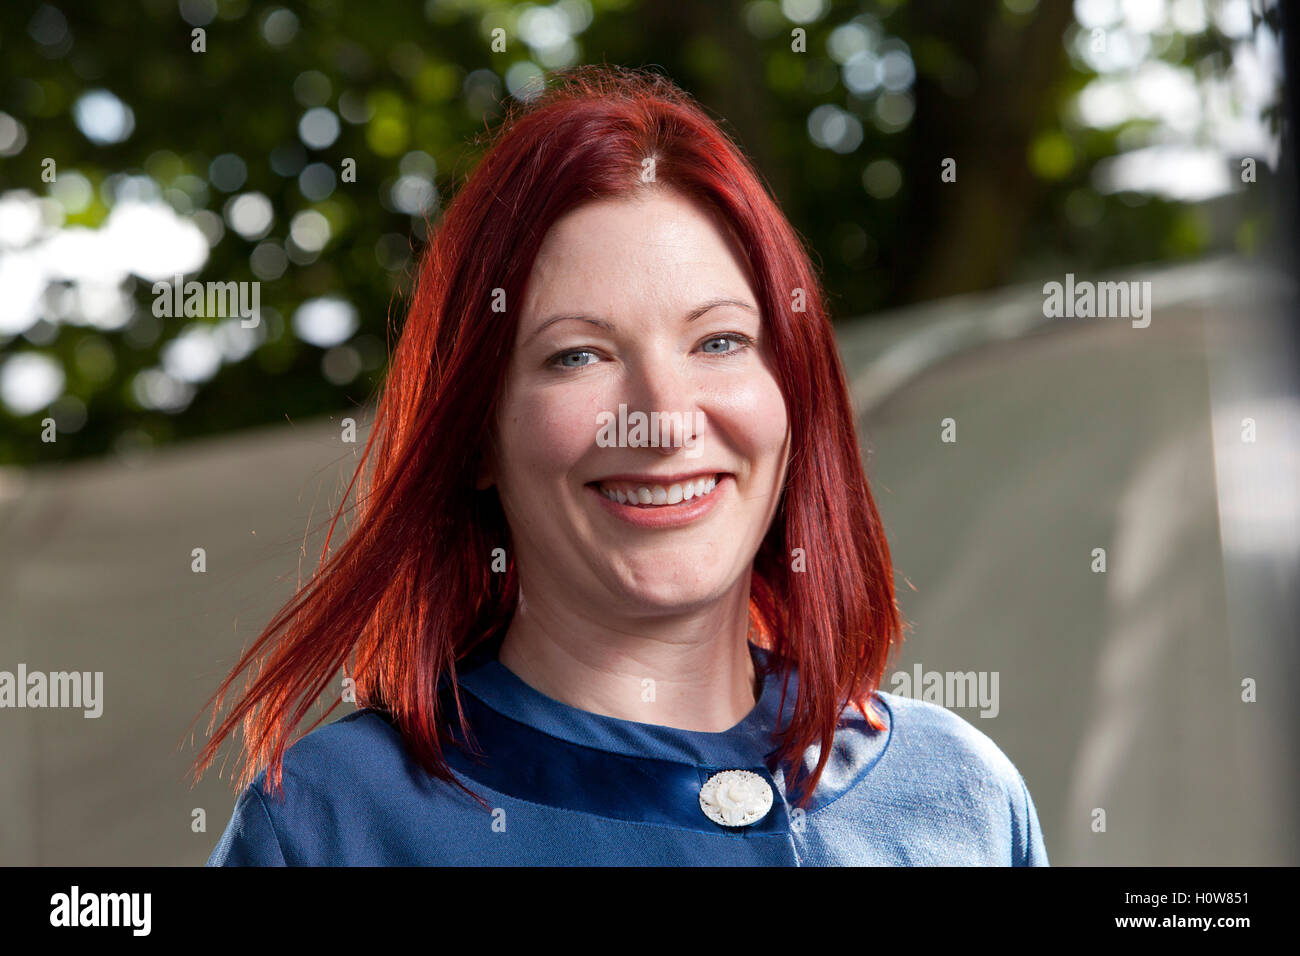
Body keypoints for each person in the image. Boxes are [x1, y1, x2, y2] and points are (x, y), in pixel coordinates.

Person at [194, 64, 1048, 866]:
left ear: (794, 393)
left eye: (719, 341)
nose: (665, 418)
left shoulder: (965, 797)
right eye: (578, 356)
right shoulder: (331, 824)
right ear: (477, 434)